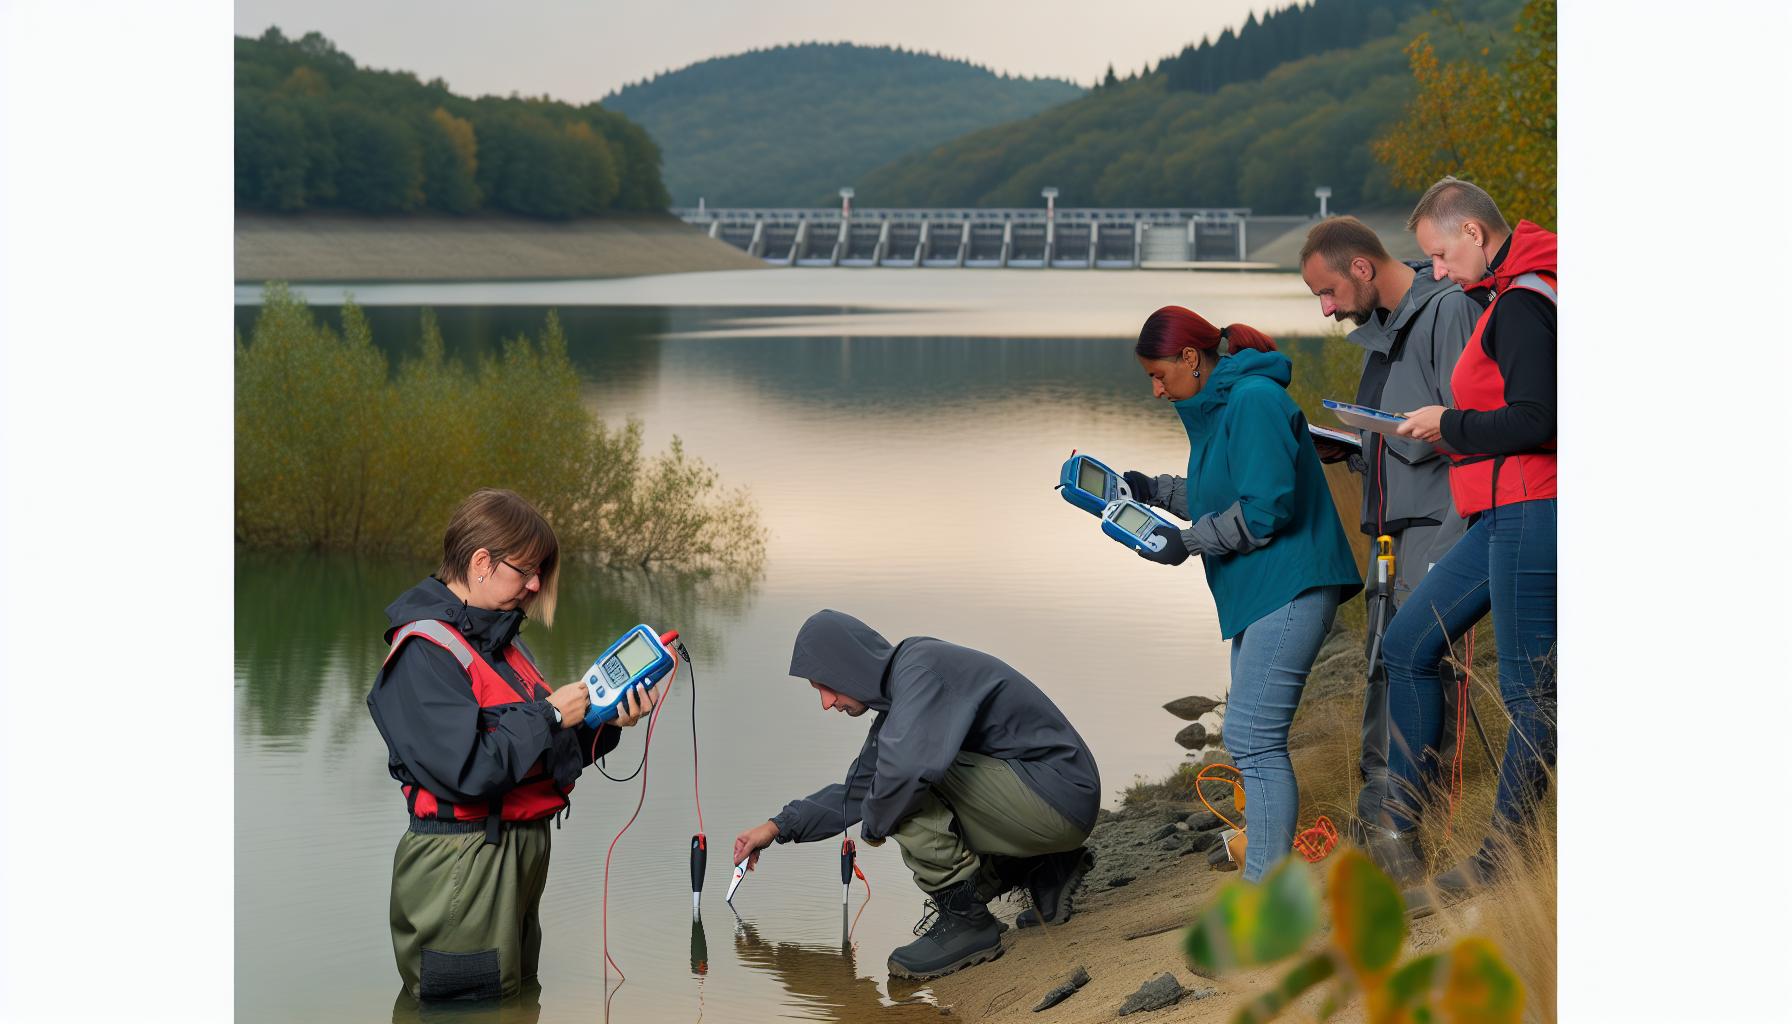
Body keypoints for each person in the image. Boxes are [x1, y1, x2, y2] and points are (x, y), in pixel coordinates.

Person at [366, 488, 656, 1001]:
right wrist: (547, 713)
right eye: (525, 570)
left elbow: (539, 754)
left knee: (516, 1001)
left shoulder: (501, 642)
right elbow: (470, 769)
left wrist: (607, 723)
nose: (536, 584)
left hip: (514, 855)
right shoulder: (423, 652)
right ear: (482, 561)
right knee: (464, 1010)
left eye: (540, 571)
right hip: (462, 866)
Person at [1121, 307, 1362, 883]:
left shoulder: (1251, 400)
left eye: (1160, 375)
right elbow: (1218, 494)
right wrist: (1151, 490)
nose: (1157, 390)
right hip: (1261, 594)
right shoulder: (1217, 410)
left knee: (1253, 736)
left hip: (1292, 586)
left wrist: (1187, 543)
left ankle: (1267, 894)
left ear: (1190, 358)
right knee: (1249, 740)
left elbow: (1265, 510)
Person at [731, 610, 1101, 981]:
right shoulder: (906, 693)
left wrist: (875, 828)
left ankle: (967, 924)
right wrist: (778, 827)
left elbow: (900, 776)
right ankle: (1045, 867)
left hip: (1058, 796)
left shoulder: (920, 675)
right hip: (1056, 796)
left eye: (824, 685)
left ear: (847, 665)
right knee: (892, 778)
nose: (827, 702)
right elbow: (855, 792)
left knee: (902, 784)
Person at [1384, 177, 1557, 912]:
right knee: (1406, 645)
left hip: (1534, 507)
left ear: (1475, 236)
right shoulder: (1512, 293)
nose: (1439, 274)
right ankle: (1401, 833)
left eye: (1440, 256)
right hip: (1497, 513)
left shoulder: (1521, 301)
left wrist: (1446, 424)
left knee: (1531, 693)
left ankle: (1505, 854)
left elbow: (1538, 419)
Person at [1297, 216, 1481, 881]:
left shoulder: (1450, 308)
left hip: (1443, 526)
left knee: (1428, 673)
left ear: (1362, 268)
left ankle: (1415, 845)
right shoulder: (1383, 334)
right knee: (1384, 678)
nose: (1324, 309)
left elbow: (1477, 423)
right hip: (1392, 527)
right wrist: (1358, 444)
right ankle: (1380, 825)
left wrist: (1403, 438)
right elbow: (1410, 420)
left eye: (1327, 292)